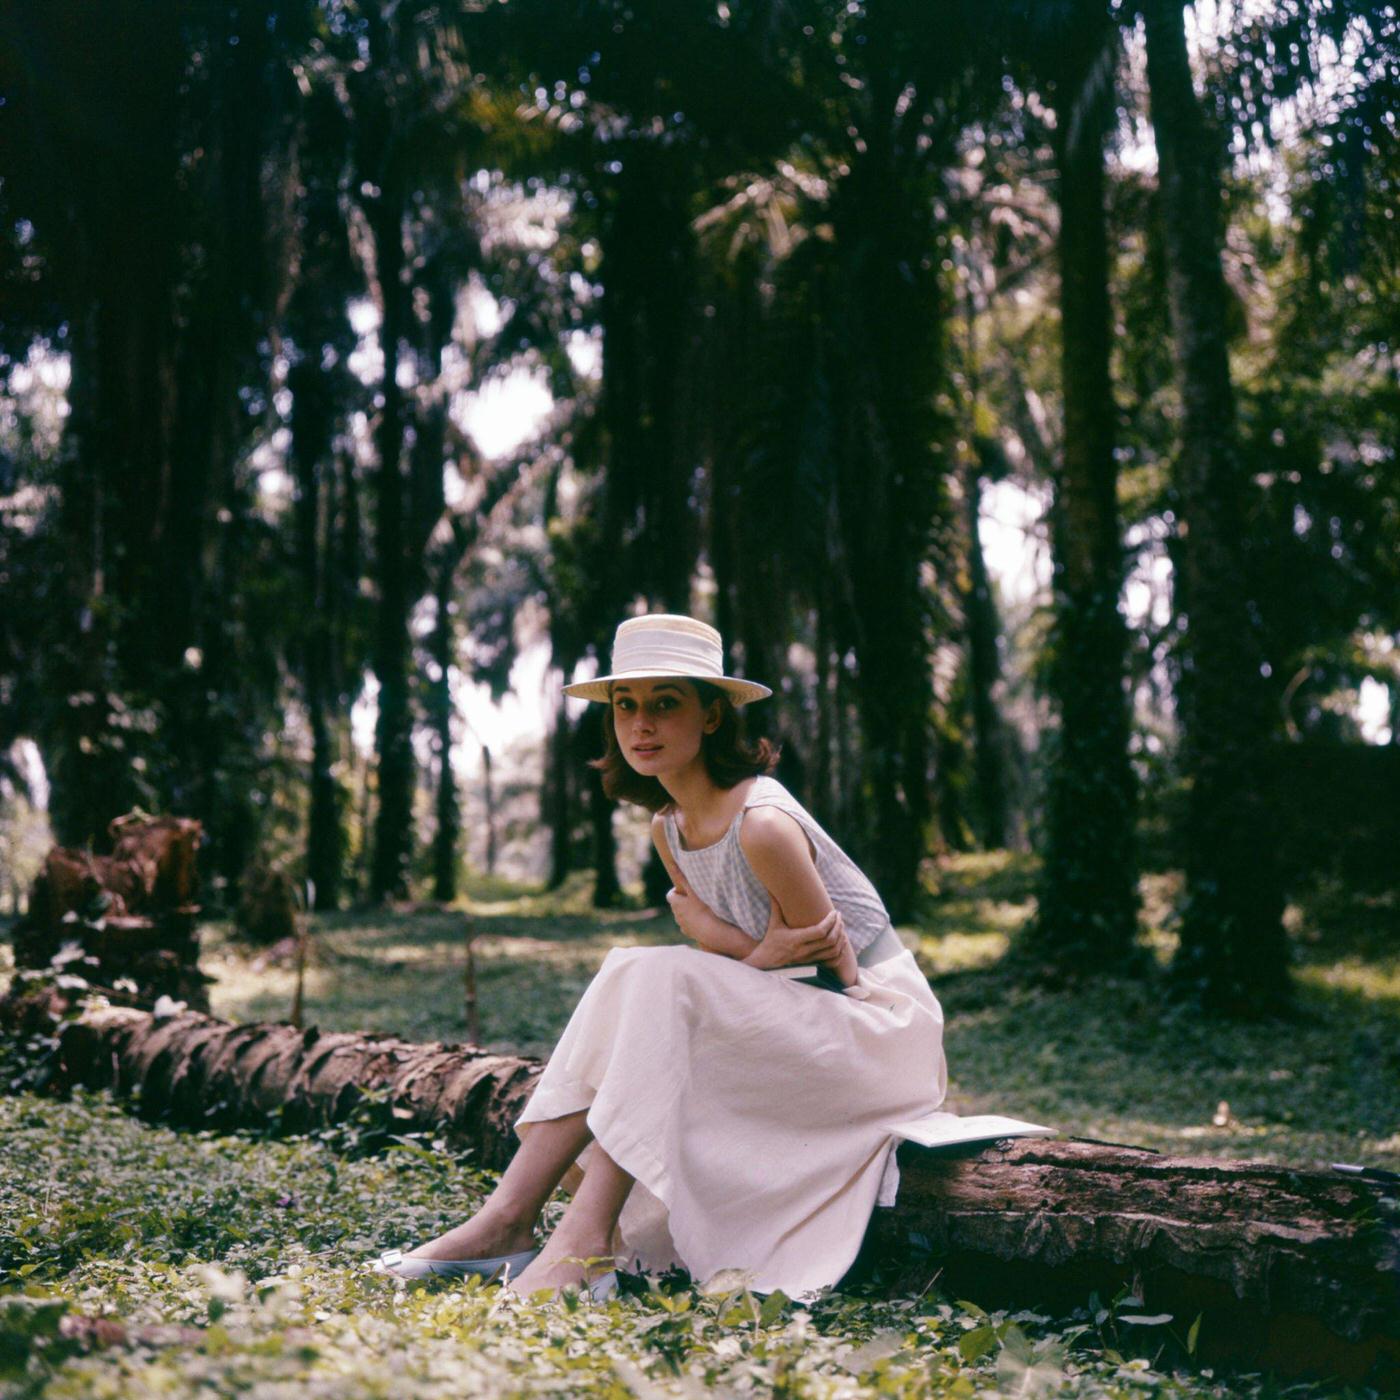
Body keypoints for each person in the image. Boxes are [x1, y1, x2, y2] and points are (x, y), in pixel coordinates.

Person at [377, 613, 948, 1302]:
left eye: (665, 704)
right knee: (641, 972)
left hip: (878, 1034)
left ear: (711, 716)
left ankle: (564, 1236)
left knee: (655, 972)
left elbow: (836, 975)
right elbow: (768, 965)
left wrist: (733, 944)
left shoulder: (762, 824)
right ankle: (509, 1220)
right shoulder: (667, 829)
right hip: (801, 1023)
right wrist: (747, 949)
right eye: (626, 707)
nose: (641, 725)